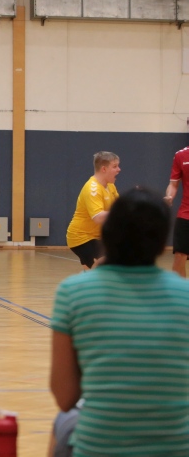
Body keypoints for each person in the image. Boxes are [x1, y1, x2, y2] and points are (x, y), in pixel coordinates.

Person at [49, 187, 189, 456]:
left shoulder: (73, 292)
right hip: (176, 449)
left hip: (98, 448)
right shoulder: (185, 295)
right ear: (162, 243)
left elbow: (65, 397)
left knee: (63, 421)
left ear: (108, 234)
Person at [65, 152, 120, 270]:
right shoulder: (92, 189)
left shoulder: (110, 186)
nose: (118, 169)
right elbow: (98, 217)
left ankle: (87, 279)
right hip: (82, 237)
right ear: (104, 169)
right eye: (115, 166)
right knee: (106, 268)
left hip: (98, 237)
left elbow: (120, 206)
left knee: (94, 270)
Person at [164, 146, 189, 277]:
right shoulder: (180, 155)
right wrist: (169, 196)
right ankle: (181, 289)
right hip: (186, 213)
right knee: (180, 256)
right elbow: (173, 184)